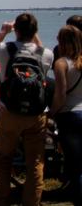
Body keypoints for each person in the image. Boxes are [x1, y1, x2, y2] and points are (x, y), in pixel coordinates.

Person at [0, 13, 54, 206]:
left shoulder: (4, 49)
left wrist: (3, 32)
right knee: (35, 162)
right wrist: (34, 35)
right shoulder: (46, 53)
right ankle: (32, 202)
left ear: (15, 30)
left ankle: (2, 200)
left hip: (9, 112)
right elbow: (43, 57)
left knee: (3, 159)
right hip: (36, 114)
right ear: (35, 31)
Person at [50, 25, 82, 205]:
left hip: (69, 115)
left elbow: (60, 94)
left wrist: (52, 112)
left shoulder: (61, 63)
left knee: (74, 162)